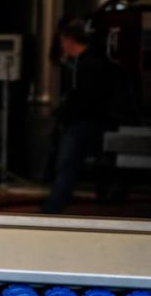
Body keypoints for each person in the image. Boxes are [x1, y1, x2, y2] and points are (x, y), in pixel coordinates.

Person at [42, 19, 122, 214]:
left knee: (66, 166)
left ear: (69, 41)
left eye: (63, 42)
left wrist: (62, 114)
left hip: (80, 123)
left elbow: (80, 97)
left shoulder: (84, 66)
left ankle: (52, 209)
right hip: (90, 120)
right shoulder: (90, 63)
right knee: (80, 165)